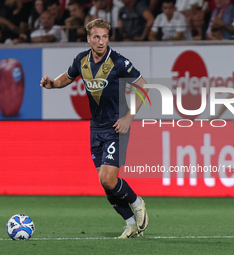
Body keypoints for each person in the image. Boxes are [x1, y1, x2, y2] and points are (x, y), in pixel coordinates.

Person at [40, 18, 149, 239]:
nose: (101, 41)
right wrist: (53, 83)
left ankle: (137, 202)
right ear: (89, 38)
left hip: (117, 126)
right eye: (97, 37)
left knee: (109, 179)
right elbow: (67, 77)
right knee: (104, 181)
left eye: (105, 37)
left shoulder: (118, 62)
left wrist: (130, 116)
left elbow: (143, 85)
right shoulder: (82, 60)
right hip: (96, 128)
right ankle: (130, 224)